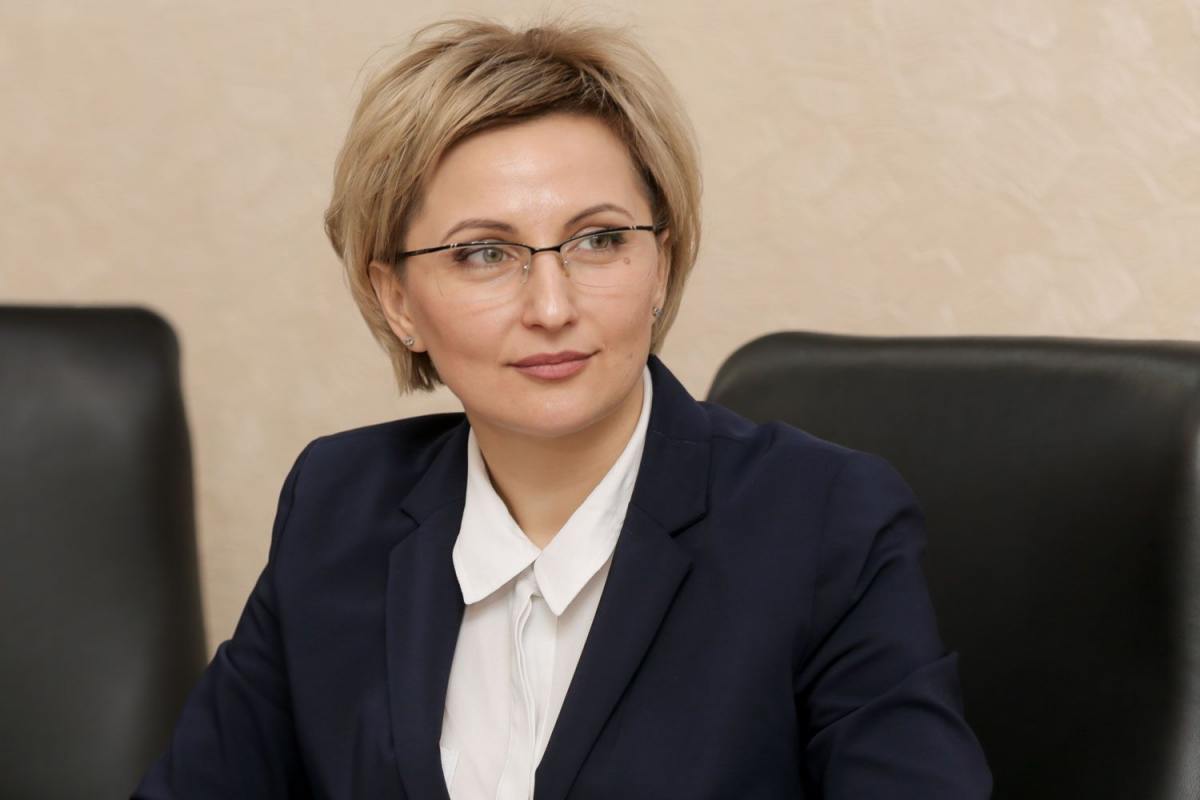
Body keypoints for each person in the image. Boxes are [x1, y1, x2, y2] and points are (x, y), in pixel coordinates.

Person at [134, 17, 992, 799]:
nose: (551, 306)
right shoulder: (337, 505)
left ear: (661, 265)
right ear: (397, 300)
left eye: (599, 240)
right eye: (483, 253)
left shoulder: (823, 521)